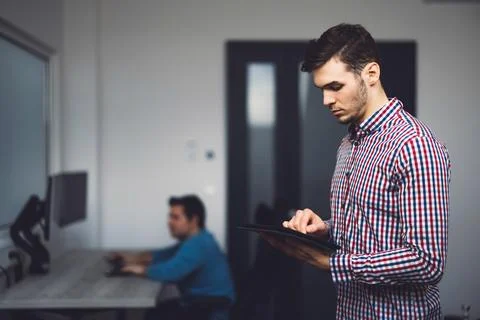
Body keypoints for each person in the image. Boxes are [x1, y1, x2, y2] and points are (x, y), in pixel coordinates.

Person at [263, 23, 451, 319]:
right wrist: (324, 228)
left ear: (371, 74)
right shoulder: (349, 144)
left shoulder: (414, 146)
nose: (326, 100)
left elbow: (426, 261)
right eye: (322, 89)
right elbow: (372, 227)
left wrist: (333, 263)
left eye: (335, 87)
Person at [113, 195, 235, 320]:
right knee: (155, 313)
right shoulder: (197, 239)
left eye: (175, 217)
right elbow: (164, 254)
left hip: (210, 309)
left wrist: (139, 269)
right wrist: (132, 259)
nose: (169, 222)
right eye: (170, 216)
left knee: (155, 315)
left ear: (193, 220)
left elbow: (170, 272)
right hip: (203, 303)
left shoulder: (198, 244)